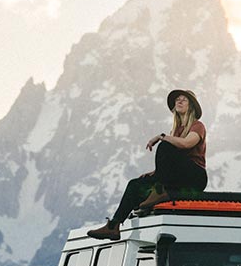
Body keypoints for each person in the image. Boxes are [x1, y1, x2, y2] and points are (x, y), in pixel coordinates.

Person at [87, 89, 208, 240]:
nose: (179, 101)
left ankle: (159, 189)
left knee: (165, 145)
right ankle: (114, 226)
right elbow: (172, 164)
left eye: (184, 99)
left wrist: (161, 137)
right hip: (177, 179)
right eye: (178, 99)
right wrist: (155, 173)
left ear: (191, 106)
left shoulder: (198, 126)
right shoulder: (176, 130)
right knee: (135, 184)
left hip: (195, 177)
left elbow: (186, 144)